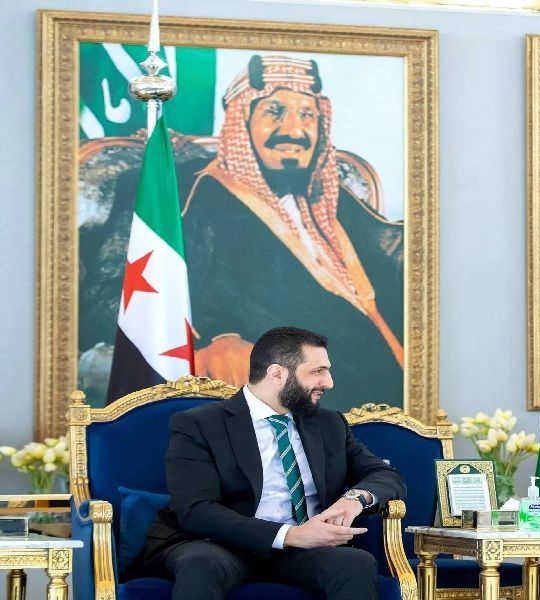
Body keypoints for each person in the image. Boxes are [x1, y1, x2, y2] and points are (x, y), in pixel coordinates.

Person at [78, 54, 403, 408]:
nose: (294, 131)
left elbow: (395, 262)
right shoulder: (181, 192)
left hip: (382, 380)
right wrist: (214, 337)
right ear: (242, 122)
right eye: (275, 112)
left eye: (307, 115)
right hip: (291, 392)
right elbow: (108, 296)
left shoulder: (334, 199)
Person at [141, 326, 406, 599]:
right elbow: (196, 509)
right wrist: (290, 535)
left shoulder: (328, 423)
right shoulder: (199, 424)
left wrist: (355, 499)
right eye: (318, 371)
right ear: (277, 373)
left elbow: (386, 475)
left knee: (356, 563)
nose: (328, 382)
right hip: (218, 543)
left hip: (302, 551)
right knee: (202, 564)